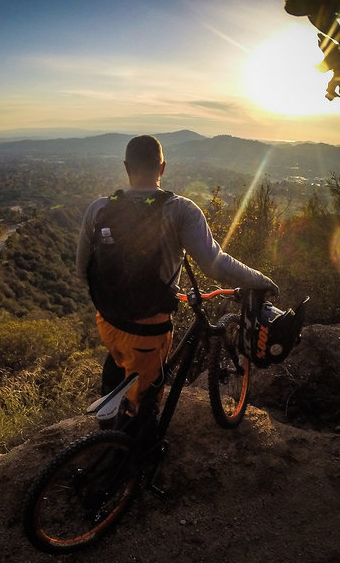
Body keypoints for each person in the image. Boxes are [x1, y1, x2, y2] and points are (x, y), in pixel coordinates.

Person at [76, 134, 278, 422]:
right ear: (162, 168)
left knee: (120, 368)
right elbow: (216, 265)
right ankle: (134, 453)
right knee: (145, 406)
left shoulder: (99, 208)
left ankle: (108, 428)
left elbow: (81, 272)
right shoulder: (180, 210)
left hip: (107, 321)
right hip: (148, 329)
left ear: (126, 167)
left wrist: (114, 296)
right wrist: (260, 279)